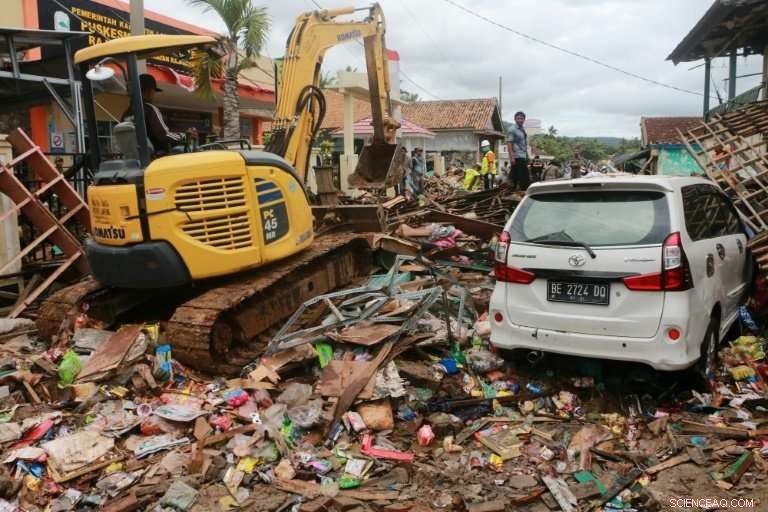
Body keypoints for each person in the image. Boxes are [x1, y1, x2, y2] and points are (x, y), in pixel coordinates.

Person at [123, 74, 183, 155]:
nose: (154, 95)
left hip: (135, 158)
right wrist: (182, 136)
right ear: (149, 91)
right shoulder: (150, 109)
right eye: (154, 92)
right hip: (155, 157)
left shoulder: (126, 114)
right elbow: (162, 135)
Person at [506, 111, 530, 191]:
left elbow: (524, 145)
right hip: (517, 157)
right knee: (525, 178)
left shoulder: (522, 129)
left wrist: (527, 156)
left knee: (514, 177)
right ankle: (524, 192)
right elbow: (509, 143)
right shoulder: (512, 129)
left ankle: (511, 192)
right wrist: (511, 157)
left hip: (522, 156)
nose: (520, 120)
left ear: (524, 120)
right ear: (515, 119)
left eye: (522, 118)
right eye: (518, 118)